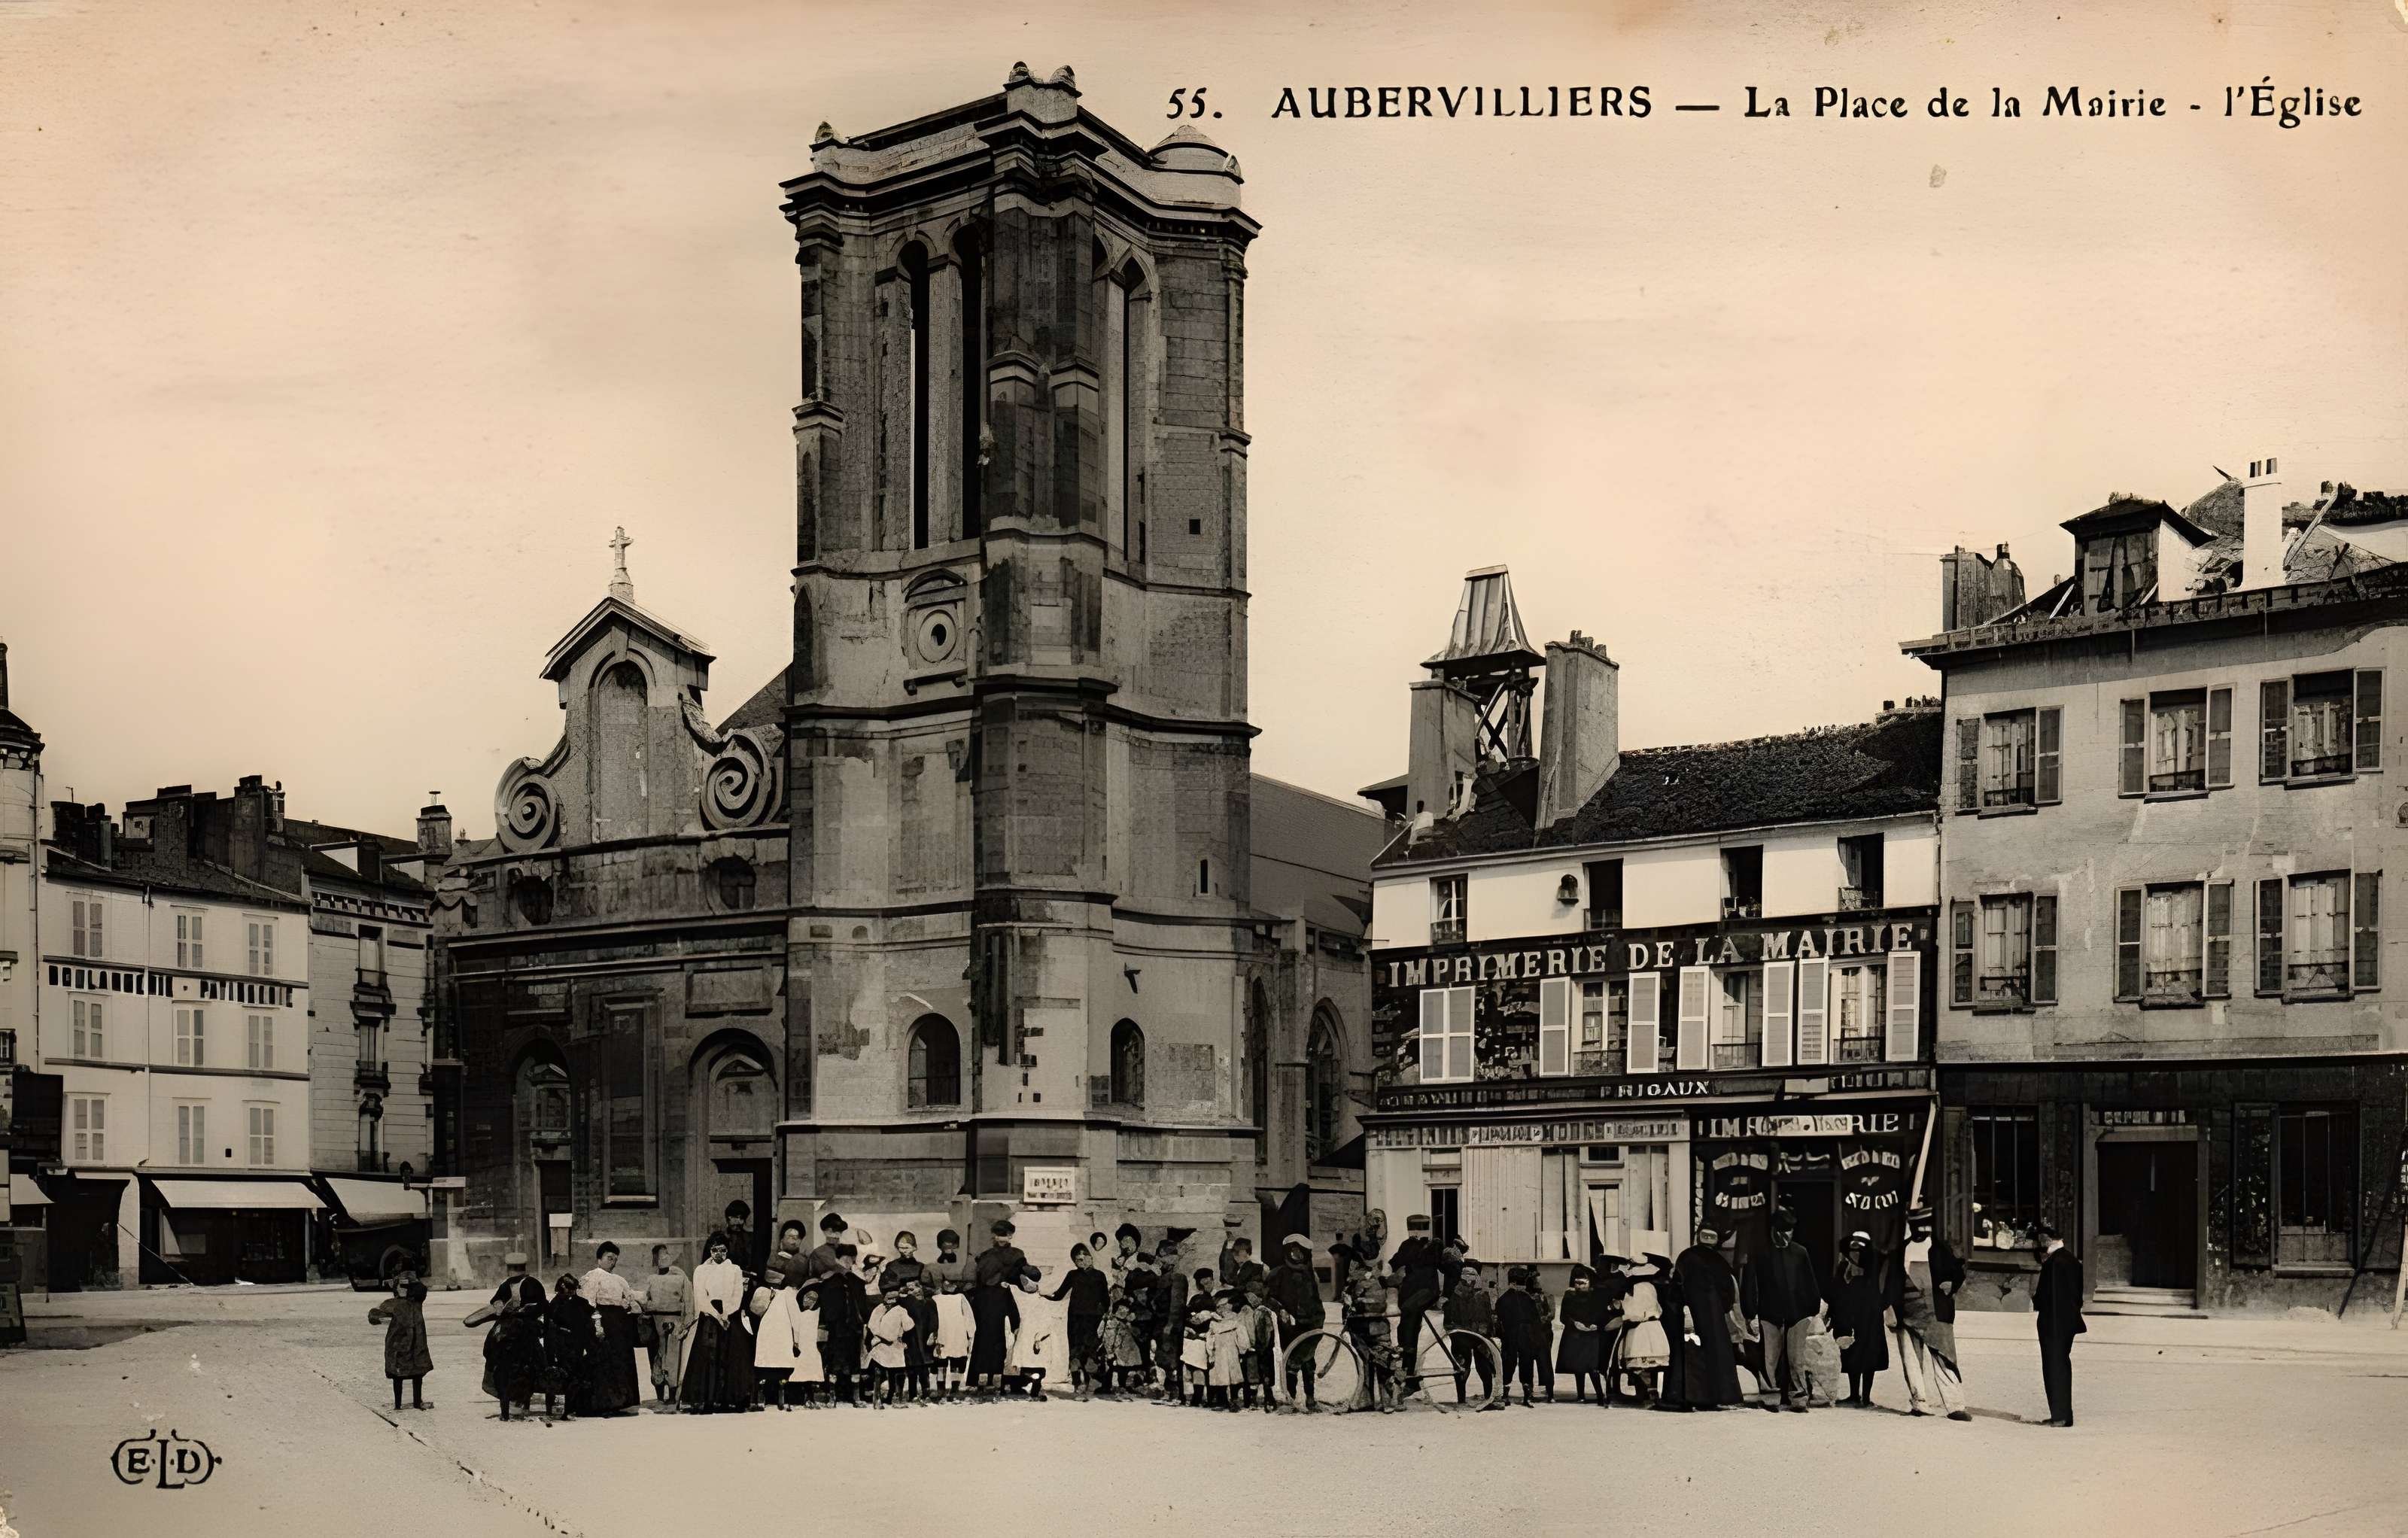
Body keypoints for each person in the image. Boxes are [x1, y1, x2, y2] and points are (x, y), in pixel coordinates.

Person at [1893, 1207, 1970, 1421]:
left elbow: (1959, 1271)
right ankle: (1919, 1402)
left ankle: (1955, 1405)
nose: (1922, 1230)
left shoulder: (1940, 1249)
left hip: (1937, 1312)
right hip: (1906, 1312)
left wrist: (1952, 1284)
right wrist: (1891, 1308)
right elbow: (1891, 1281)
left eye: (1926, 1226)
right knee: (1911, 1359)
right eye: (1918, 1226)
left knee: (1945, 1358)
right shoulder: (1901, 1251)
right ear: (1912, 1227)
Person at [1743, 1212, 1823, 1412]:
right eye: (1781, 1231)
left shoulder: (1800, 1252)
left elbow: (1810, 1282)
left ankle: (1799, 1398)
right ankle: (1771, 1397)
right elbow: (1750, 1284)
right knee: (1770, 1358)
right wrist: (1750, 1313)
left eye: (1789, 1231)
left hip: (1798, 1313)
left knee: (1796, 1358)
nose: (1785, 1235)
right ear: (1772, 1231)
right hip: (1769, 1314)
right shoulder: (1760, 1253)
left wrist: (1813, 1311)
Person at [1673, 1227, 1744, 1409]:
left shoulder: (1685, 1257)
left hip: (1690, 1312)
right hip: (1714, 1316)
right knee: (1718, 1355)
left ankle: (1694, 1397)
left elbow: (1676, 1286)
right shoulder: (1719, 1261)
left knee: (1693, 1355)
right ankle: (1721, 1396)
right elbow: (1729, 1292)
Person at [681, 1233, 753, 1412]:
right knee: (709, 1357)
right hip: (710, 1317)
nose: (719, 1254)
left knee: (731, 1356)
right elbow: (700, 1298)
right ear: (709, 1251)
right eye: (715, 1250)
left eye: (723, 1250)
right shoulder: (701, 1270)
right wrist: (717, 1316)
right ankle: (708, 1401)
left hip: (730, 1316)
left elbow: (737, 1294)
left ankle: (728, 1401)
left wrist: (727, 1313)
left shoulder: (734, 1269)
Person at [470, 1252, 547, 1421]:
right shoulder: (508, 1284)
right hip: (508, 1328)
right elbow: (497, 1299)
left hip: (524, 1329)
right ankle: (512, 1399)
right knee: (498, 1355)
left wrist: (524, 1311)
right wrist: (499, 1305)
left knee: (524, 1363)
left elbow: (540, 1306)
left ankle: (520, 1401)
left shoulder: (531, 1284)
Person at [970, 1219, 1036, 1397]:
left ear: (1011, 1236)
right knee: (983, 1338)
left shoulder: (1017, 1255)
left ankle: (999, 1379)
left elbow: (1023, 1276)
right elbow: (979, 1280)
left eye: (1005, 1235)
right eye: (998, 1235)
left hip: (1004, 1298)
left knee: (1001, 1338)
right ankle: (981, 1380)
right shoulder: (986, 1255)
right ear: (994, 1236)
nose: (1001, 1238)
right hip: (985, 1301)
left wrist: (1029, 1276)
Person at [576, 1241, 644, 1415]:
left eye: (615, 1259)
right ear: (599, 1259)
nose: (612, 1262)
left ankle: (622, 1401)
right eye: (609, 1258)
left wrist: (629, 1306)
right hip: (602, 1321)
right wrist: (597, 1326)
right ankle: (604, 1403)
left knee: (621, 1359)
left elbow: (630, 1298)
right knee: (605, 1361)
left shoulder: (620, 1279)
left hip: (619, 1324)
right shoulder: (592, 1277)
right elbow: (590, 1303)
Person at [1829, 1230, 1893, 1407]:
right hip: (1858, 1314)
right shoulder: (1850, 1264)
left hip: (1867, 1315)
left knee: (1865, 1353)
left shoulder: (1874, 1263)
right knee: (1855, 1353)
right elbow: (1837, 1288)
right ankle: (1858, 1395)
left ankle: (1862, 1396)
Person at [1338, 1243, 1401, 1414]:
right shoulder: (1376, 1273)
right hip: (1367, 1325)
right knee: (1373, 1362)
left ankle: (1378, 1400)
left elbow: (1346, 1300)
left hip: (1369, 1324)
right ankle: (1377, 1400)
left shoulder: (1374, 1273)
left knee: (1376, 1362)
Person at [1388, 1214, 1446, 1394]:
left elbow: (1395, 1263)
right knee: (1407, 1330)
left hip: (1421, 1294)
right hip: (1419, 1293)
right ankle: (1409, 1374)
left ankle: (1410, 1378)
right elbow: (1395, 1263)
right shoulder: (1424, 1246)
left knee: (1408, 1327)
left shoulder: (1421, 1246)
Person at [1267, 1235, 1325, 1412]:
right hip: (1289, 1327)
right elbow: (1269, 1298)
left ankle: (1310, 1399)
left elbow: (1316, 1302)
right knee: (1290, 1361)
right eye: (1293, 1251)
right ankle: (1290, 1399)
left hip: (1310, 1324)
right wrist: (1281, 1310)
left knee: (1308, 1363)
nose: (1296, 1255)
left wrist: (1316, 1322)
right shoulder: (1277, 1274)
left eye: (1299, 1251)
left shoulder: (1311, 1275)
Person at [2034, 1223, 2084, 1427]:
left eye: (2040, 1239)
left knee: (2054, 1367)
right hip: (2065, 1323)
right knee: (2060, 1365)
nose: (2038, 1244)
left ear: (2048, 1239)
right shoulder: (2070, 1259)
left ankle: (2061, 1416)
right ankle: (2061, 1414)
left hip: (2054, 1324)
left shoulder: (2055, 1263)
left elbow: (2052, 1298)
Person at [1049, 1243, 1111, 1400]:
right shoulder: (1072, 1275)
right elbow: (1059, 1294)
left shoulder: (1099, 1276)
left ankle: (1091, 1385)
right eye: (1078, 1260)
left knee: (1091, 1352)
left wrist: (1102, 1316)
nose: (1082, 1261)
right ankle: (1077, 1385)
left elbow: (1106, 1299)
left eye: (1085, 1258)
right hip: (1075, 1319)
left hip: (1093, 1320)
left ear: (1091, 1258)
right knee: (1075, 1352)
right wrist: (1043, 1295)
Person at [369, 1272, 433, 1412]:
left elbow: (422, 1289)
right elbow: (374, 1315)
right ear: (395, 1288)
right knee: (397, 1376)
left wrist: (411, 1283)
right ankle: (398, 1404)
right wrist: (378, 1318)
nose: (403, 1289)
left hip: (416, 1343)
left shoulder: (416, 1301)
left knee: (417, 1374)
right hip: (398, 1344)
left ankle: (417, 1402)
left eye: (406, 1287)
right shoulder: (392, 1304)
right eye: (400, 1286)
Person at [1612, 1256, 1671, 1407]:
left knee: (1641, 1362)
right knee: (1650, 1363)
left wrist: (1623, 1316)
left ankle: (1647, 1394)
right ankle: (1649, 1392)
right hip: (1653, 1327)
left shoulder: (1638, 1289)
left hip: (1640, 1328)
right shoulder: (1650, 1287)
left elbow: (1636, 1313)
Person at [751, 1264, 810, 1409]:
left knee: (766, 1366)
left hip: (766, 1333)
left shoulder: (762, 1292)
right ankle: (781, 1398)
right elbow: (796, 1319)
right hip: (783, 1335)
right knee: (782, 1368)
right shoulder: (788, 1294)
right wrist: (797, 1341)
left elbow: (755, 1312)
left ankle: (762, 1398)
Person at [640, 1244, 691, 1407]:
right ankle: (660, 1396)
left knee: (672, 1359)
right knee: (657, 1358)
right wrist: (646, 1308)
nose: (663, 1258)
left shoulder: (680, 1277)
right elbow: (644, 1299)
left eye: (666, 1254)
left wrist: (685, 1324)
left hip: (674, 1322)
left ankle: (673, 1395)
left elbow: (689, 1302)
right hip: (655, 1322)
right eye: (659, 1255)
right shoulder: (651, 1279)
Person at [1443, 1258, 1497, 1406]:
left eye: (1473, 1275)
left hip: (1480, 1338)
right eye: (1467, 1275)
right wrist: (1458, 1332)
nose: (1470, 1279)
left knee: (1484, 1367)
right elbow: (1448, 1322)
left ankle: (1488, 1397)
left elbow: (1488, 1317)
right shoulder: (1454, 1296)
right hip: (1461, 1337)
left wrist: (1487, 1333)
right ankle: (1461, 1400)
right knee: (1462, 1368)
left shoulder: (1482, 1296)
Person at [928, 1228, 975, 1398]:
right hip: (942, 1330)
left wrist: (970, 1333)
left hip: (957, 1331)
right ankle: (941, 1387)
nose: (949, 1249)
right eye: (945, 1246)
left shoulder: (961, 1297)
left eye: (952, 1245)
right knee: (941, 1360)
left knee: (957, 1359)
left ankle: (955, 1388)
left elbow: (968, 1316)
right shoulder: (936, 1297)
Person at [819, 1243, 868, 1405]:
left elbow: (863, 1306)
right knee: (835, 1361)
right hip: (837, 1328)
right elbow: (826, 1307)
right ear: (837, 1259)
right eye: (844, 1258)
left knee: (854, 1361)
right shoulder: (829, 1280)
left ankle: (855, 1396)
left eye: (851, 1259)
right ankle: (832, 1395)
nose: (848, 1262)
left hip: (853, 1328)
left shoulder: (857, 1281)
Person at [541, 1274, 595, 1421]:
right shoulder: (558, 1303)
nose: (570, 1292)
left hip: (569, 1344)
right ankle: (561, 1410)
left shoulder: (574, 1303)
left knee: (563, 1375)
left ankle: (562, 1410)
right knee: (563, 1375)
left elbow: (592, 1317)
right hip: (562, 1344)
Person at [1556, 1264, 1609, 1405]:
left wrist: (1597, 1325)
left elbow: (1602, 1314)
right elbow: (1563, 1317)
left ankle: (1600, 1395)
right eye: (1577, 1283)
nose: (1579, 1286)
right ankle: (1581, 1395)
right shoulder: (1569, 1296)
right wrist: (1574, 1323)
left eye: (1583, 1283)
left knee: (1593, 1366)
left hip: (1591, 1335)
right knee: (1578, 1367)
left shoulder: (1596, 1296)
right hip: (1575, 1334)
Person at [1496, 1266, 1546, 1409]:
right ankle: (1520, 1396)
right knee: (1519, 1363)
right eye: (1519, 1283)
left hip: (1518, 1335)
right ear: (1512, 1283)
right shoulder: (1522, 1299)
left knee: (1513, 1363)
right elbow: (1536, 1320)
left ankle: (1511, 1395)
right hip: (1516, 1335)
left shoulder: (1505, 1299)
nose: (1521, 1287)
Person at [868, 1284, 917, 1407]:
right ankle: (887, 1398)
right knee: (891, 1371)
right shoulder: (893, 1310)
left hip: (889, 1344)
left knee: (890, 1371)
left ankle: (888, 1398)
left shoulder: (893, 1310)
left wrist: (881, 1335)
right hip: (886, 1344)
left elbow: (909, 1326)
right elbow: (909, 1326)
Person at [1205, 1290, 1247, 1410]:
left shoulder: (1215, 1323)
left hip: (1221, 1352)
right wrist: (1242, 1350)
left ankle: (1225, 1401)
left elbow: (1210, 1339)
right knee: (1231, 1376)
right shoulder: (1236, 1321)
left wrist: (1210, 1352)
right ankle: (1232, 1400)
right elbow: (1243, 1337)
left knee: (1222, 1376)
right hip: (1230, 1352)